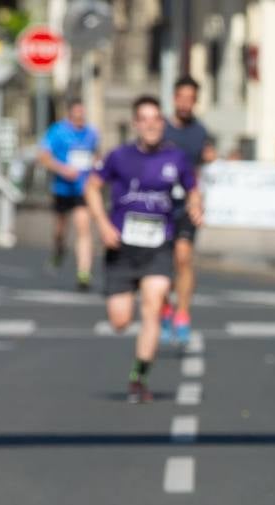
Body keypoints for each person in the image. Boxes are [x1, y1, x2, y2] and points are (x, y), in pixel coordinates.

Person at [84, 95, 202, 403]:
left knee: (152, 305)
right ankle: (137, 303)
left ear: (162, 124)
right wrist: (102, 224)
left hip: (158, 245)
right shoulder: (119, 157)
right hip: (121, 246)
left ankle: (139, 377)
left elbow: (192, 188)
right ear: (136, 124)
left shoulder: (175, 158)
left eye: (156, 119)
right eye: (145, 119)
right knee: (120, 321)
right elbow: (92, 187)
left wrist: (196, 205)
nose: (151, 125)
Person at [161, 75, 211, 346]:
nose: (185, 103)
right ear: (174, 99)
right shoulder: (161, 128)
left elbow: (199, 170)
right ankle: (165, 306)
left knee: (183, 258)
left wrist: (198, 200)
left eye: (191, 99)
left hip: (186, 205)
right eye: (181, 98)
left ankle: (182, 313)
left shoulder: (200, 131)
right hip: (158, 207)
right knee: (162, 264)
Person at [37, 98, 99, 290]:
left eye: (82, 115)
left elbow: (96, 155)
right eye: (76, 116)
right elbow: (44, 157)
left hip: (82, 189)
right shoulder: (58, 131)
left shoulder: (92, 133)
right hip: (62, 188)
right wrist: (63, 169)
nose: (80, 119)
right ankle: (59, 249)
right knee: (60, 230)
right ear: (70, 115)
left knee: (83, 227)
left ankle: (83, 273)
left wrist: (97, 165)